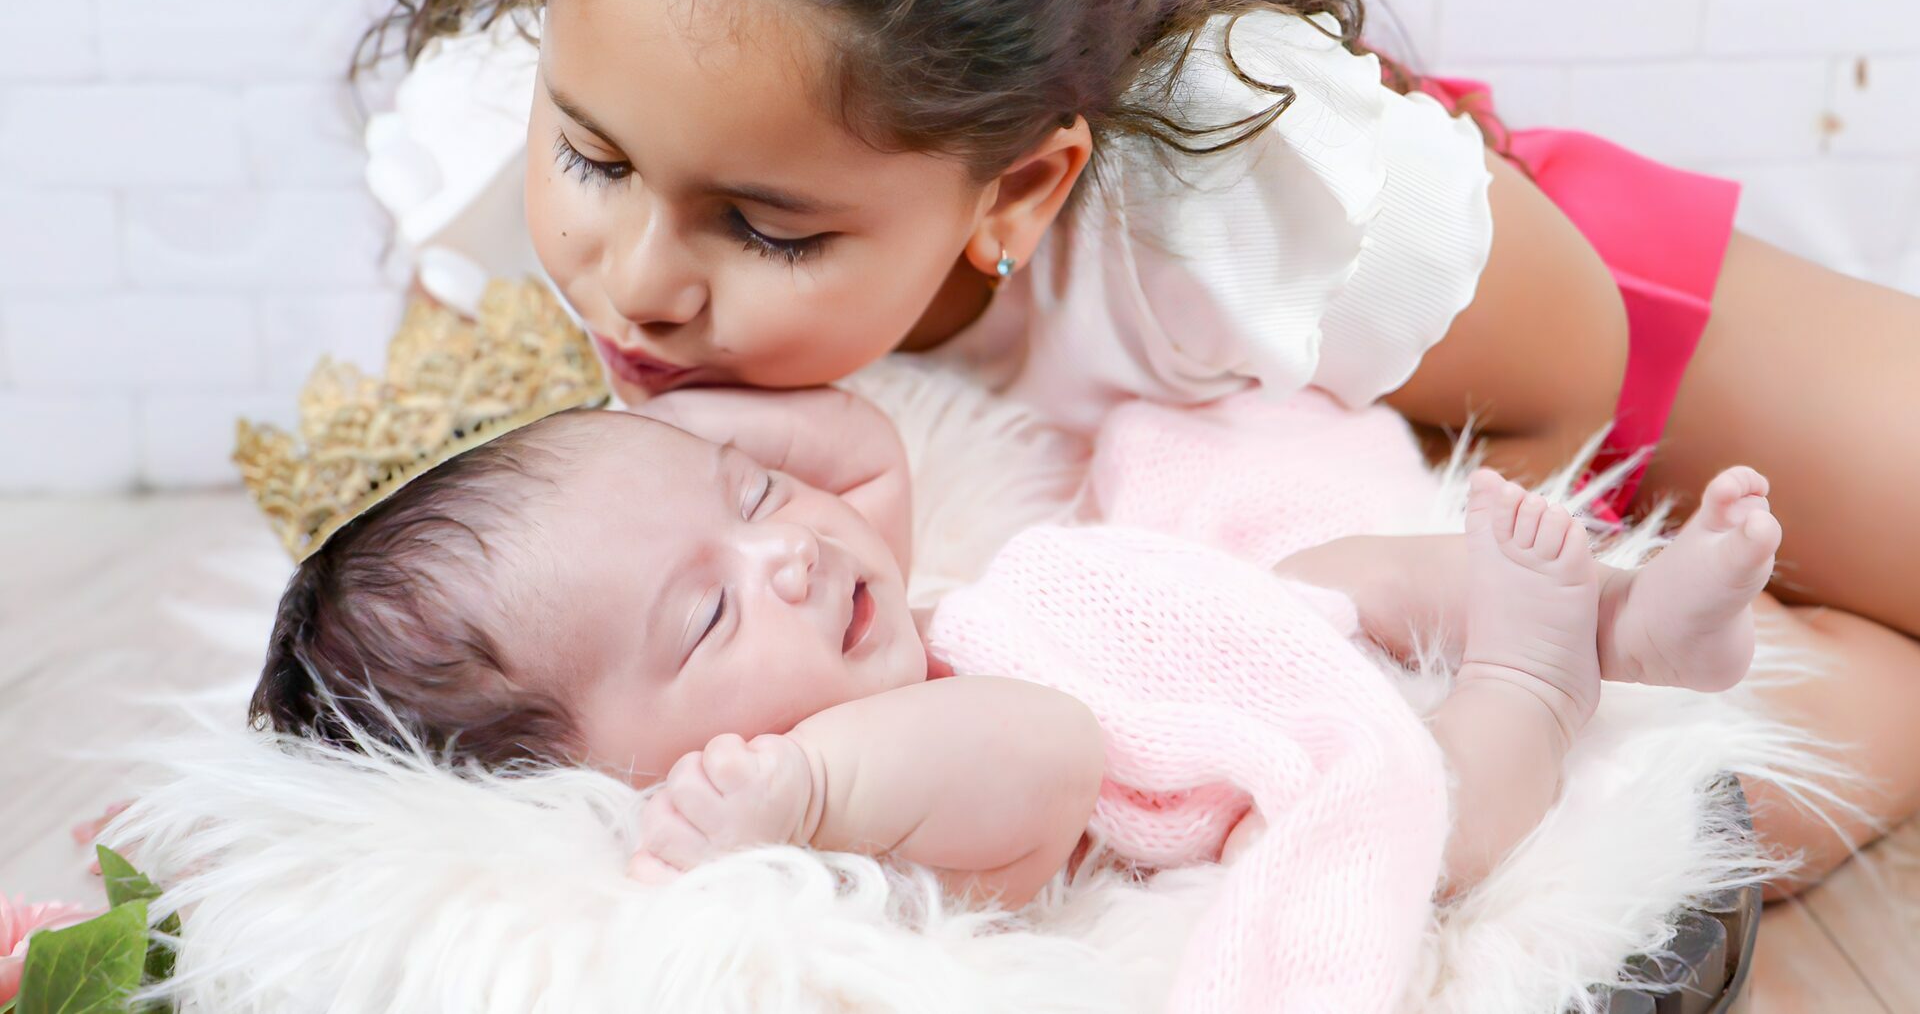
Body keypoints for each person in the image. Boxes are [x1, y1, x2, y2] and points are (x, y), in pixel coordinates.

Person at [356, 0, 1920, 883]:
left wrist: (1484, 585)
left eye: (767, 228)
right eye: (594, 160)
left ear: (1018, 192)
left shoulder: (1245, 201)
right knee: (1761, 769)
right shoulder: (518, 121)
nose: (637, 284)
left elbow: (1565, 373)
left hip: (1505, 337)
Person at [250, 391, 1780, 906]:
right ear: (611, 779)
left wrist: (682, 433)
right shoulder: (832, 802)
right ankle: (1537, 680)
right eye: (707, 612)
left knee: (1347, 576)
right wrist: (802, 794)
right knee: (1426, 800)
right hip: (1254, 786)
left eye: (753, 495)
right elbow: (1047, 753)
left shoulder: (834, 612)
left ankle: (1639, 619)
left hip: (1209, 628)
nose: (794, 550)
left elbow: (864, 457)